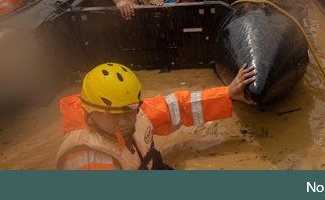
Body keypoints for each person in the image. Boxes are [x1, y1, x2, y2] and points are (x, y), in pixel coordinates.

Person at [56, 61, 257, 170]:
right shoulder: (88, 158)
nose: (125, 121)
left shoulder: (133, 112)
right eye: (114, 115)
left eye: (130, 110)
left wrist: (227, 93)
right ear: (90, 114)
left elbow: (178, 106)